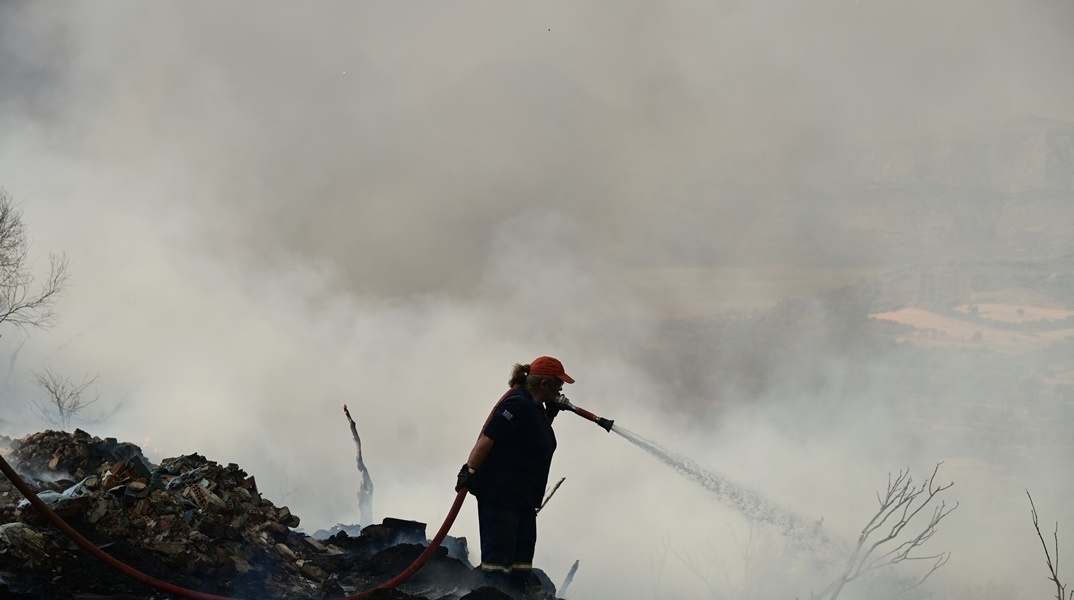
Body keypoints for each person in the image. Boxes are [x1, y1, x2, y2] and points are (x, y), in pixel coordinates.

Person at [455, 356, 574, 596]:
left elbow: (533, 440)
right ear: (544, 385)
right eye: (558, 384)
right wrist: (469, 471)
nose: (562, 389)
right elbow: (488, 438)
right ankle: (492, 594)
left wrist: (550, 414)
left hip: (523, 498)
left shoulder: (535, 408)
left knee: (521, 562)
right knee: (498, 560)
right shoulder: (517, 405)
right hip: (501, 495)